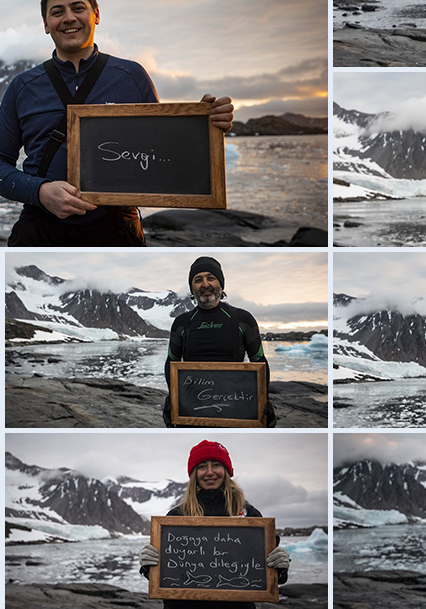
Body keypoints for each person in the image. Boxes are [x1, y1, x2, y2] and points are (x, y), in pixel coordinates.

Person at [0, 0, 235, 246]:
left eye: (78, 8)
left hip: (117, 229)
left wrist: (205, 126)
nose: (69, 18)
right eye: (57, 12)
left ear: (96, 14)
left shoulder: (131, 76)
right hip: (41, 229)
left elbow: (165, 156)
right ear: (46, 24)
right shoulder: (23, 86)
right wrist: (39, 190)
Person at [138, 440, 291, 609]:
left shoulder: (250, 516)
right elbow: (164, 577)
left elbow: (269, 577)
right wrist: (149, 566)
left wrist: (280, 566)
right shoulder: (176, 517)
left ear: (226, 471)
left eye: (216, 465)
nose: (209, 472)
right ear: (194, 473)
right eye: (202, 466)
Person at [163, 257, 275, 427]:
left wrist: (264, 399)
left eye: (211, 278)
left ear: (221, 284)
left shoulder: (243, 319)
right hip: (192, 410)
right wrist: (172, 397)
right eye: (198, 280)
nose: (205, 284)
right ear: (192, 288)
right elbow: (171, 362)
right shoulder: (182, 323)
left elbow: (259, 360)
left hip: (235, 409)